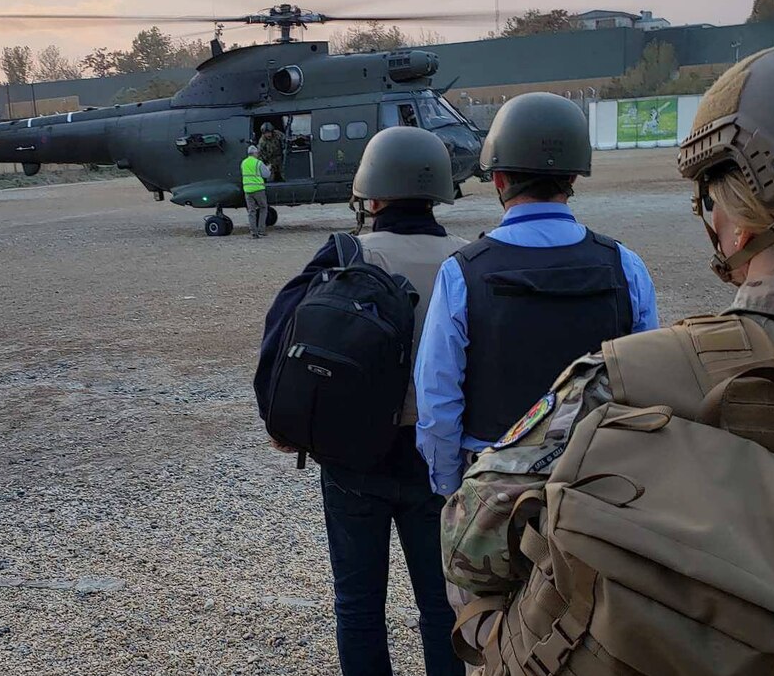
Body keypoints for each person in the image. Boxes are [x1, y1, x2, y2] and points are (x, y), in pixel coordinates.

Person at [442, 40, 774, 674]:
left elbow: (468, 540)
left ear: (740, 223)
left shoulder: (639, 375)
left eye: (713, 198)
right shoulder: (623, 265)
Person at [255, 127, 469, 676]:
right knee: (441, 608)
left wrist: (285, 424)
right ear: (441, 192)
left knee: (357, 606)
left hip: (352, 457)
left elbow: (281, 332)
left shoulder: (348, 253)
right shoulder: (470, 260)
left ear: (371, 196)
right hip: (439, 463)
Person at [414, 92, 658, 498]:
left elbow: (438, 396)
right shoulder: (624, 264)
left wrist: (448, 484)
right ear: (574, 177)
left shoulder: (463, 272)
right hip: (597, 482)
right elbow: (648, 382)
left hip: (496, 486)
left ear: (498, 179)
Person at [241, 145, 271, 238]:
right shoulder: (258, 163)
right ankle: (261, 230)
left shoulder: (243, 163)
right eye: (257, 153)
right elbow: (266, 175)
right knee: (263, 208)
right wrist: (268, 168)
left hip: (247, 190)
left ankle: (253, 232)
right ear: (254, 153)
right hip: (258, 189)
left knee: (251, 211)